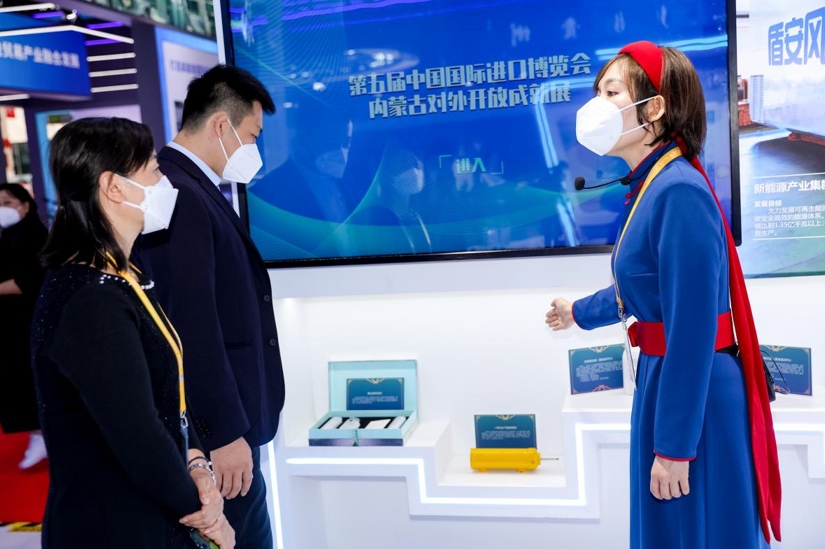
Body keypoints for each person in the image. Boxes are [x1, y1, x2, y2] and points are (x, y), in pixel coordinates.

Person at [544, 41, 782, 548]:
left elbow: (691, 331)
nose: (596, 106)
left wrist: (675, 447)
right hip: (670, 382)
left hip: (692, 392)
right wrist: (577, 312)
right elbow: (642, 288)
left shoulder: (676, 190)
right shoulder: (655, 184)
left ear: (654, 108)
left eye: (612, 92)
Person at [31, 117, 234, 548]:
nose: (165, 184)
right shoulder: (91, 299)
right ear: (114, 187)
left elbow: (167, 395)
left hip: (148, 513)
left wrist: (197, 464)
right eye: (154, 171)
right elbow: (137, 435)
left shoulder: (124, 275)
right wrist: (208, 518)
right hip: (113, 525)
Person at [134, 64, 285, 549]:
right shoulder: (178, 192)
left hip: (231, 423)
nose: (254, 149)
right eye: (252, 135)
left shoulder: (195, 187)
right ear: (222, 125)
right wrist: (219, 434)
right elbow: (189, 324)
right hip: (218, 434)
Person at [0, 183, 48, 468]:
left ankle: (41, 435)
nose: (2, 209)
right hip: (10, 324)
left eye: (7, 202)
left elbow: (29, 280)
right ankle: (37, 434)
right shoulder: (8, 235)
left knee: (28, 379)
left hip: (28, 322)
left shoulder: (34, 235)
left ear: (25, 205)